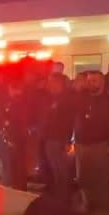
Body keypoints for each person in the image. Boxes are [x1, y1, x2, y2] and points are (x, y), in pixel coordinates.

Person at [73, 71, 109, 215]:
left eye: (94, 80)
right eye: (89, 80)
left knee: (101, 177)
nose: (91, 83)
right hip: (82, 144)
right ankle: (87, 203)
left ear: (102, 82)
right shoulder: (81, 99)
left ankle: (103, 208)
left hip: (101, 144)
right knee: (83, 176)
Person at [40, 73, 75, 203]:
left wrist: (67, 140)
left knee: (62, 170)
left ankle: (65, 197)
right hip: (49, 137)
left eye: (51, 82)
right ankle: (59, 194)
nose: (49, 85)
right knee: (55, 169)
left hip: (59, 139)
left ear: (58, 83)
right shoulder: (51, 98)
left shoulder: (65, 99)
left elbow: (68, 122)